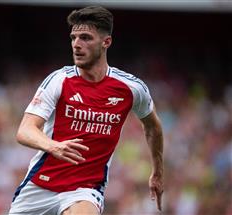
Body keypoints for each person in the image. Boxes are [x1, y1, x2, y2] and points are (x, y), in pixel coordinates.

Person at [9, 5, 164, 215]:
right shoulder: (59, 80)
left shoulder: (132, 88)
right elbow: (25, 131)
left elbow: (153, 127)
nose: (76, 45)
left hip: (85, 189)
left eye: (85, 38)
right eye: (73, 38)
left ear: (106, 42)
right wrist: (54, 146)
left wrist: (157, 172)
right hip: (40, 185)